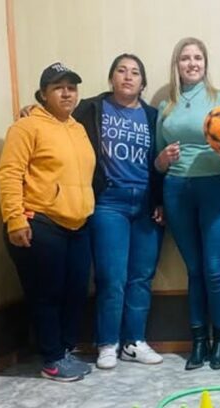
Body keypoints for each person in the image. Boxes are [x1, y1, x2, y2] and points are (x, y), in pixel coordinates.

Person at [0, 62, 95, 382]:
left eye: (72, 87)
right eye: (58, 88)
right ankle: (51, 359)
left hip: (77, 224)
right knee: (46, 294)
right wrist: (15, 219)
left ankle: (64, 351)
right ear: (43, 94)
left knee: (75, 291)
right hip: (39, 221)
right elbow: (9, 173)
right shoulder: (26, 127)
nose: (67, 93)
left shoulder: (78, 128)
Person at [71, 54, 165, 369]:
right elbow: (59, 121)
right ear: (112, 78)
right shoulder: (91, 108)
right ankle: (108, 343)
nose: (128, 76)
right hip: (108, 202)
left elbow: (161, 162)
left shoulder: (152, 116)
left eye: (135, 72)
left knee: (141, 276)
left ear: (143, 82)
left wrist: (160, 201)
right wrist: (32, 111)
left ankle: (134, 342)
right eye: (121, 71)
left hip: (146, 204)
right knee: (112, 277)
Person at [154, 37, 220, 370]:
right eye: (185, 58)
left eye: (197, 58)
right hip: (176, 190)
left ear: (205, 63)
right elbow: (157, 160)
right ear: (176, 65)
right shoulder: (166, 105)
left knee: (214, 270)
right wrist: (162, 159)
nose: (192, 63)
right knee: (193, 270)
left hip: (216, 188)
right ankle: (199, 342)